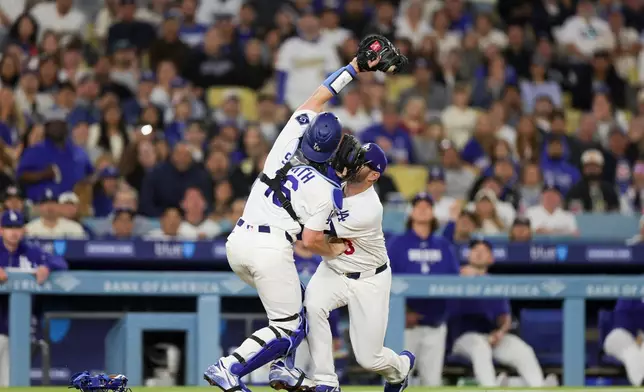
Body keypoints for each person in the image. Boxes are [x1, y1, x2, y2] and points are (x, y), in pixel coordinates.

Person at [203, 49, 387, 392]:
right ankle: (228, 367)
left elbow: (319, 96)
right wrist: (337, 251)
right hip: (270, 248)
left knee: (297, 309)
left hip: (238, 242)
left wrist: (354, 67)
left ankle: (282, 369)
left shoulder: (286, 140)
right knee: (288, 327)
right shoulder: (326, 188)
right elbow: (312, 241)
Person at [305, 143, 414, 392]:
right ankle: (326, 380)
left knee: (369, 358)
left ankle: (401, 367)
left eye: (361, 161)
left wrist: (326, 246)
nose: (353, 160)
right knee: (312, 306)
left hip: (369, 279)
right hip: (334, 269)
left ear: (374, 175)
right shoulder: (338, 186)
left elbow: (314, 238)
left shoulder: (369, 208)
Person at [450, 238, 549, 387]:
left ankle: (539, 387)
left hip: (491, 337)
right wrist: (471, 276)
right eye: (475, 250)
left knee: (523, 350)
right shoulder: (456, 277)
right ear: (468, 255)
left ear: (491, 258)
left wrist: (500, 332)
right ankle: (491, 388)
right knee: (480, 347)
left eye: (483, 251)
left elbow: (504, 317)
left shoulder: (496, 284)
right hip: (462, 337)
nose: (478, 254)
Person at [388, 192, 460, 386]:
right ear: (411, 212)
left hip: (436, 324)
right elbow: (384, 280)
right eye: (417, 206)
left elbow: (454, 281)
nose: (422, 209)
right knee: (398, 379)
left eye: (427, 206)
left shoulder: (443, 245)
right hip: (405, 326)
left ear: (433, 213)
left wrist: (444, 314)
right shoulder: (397, 243)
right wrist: (402, 313)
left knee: (432, 382)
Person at [0, 209, 68, 386]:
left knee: (11, 380)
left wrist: (46, 267)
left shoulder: (31, 251)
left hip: (17, 327)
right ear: (1, 230)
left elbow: (61, 262)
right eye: (8, 227)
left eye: (17, 227)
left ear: (23, 230)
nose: (13, 232)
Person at [603, 299, 644, 386]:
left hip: (641, 337)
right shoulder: (630, 289)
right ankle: (641, 383)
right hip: (620, 336)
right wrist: (638, 336)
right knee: (631, 351)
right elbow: (621, 320)